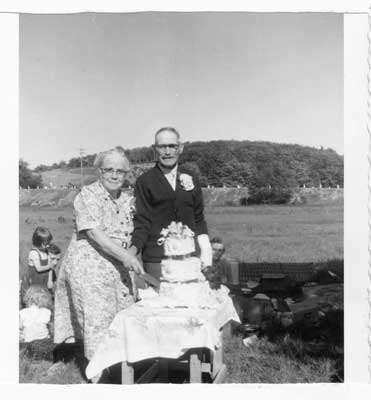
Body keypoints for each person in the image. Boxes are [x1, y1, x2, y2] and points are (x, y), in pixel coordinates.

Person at [54, 146, 145, 366]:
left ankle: (120, 364)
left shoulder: (128, 199)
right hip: (90, 266)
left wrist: (131, 254)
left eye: (120, 171)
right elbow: (94, 233)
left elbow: (137, 230)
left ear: (126, 174)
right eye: (108, 170)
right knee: (97, 317)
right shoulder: (88, 195)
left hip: (118, 266)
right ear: (99, 172)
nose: (114, 175)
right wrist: (127, 257)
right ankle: (98, 371)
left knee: (121, 315)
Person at [130, 127, 212, 281]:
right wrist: (133, 251)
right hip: (157, 260)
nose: (167, 151)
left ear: (180, 148)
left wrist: (206, 254)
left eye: (172, 146)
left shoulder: (191, 178)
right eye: (162, 146)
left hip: (190, 257)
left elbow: (199, 218)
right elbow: (142, 222)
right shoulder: (144, 182)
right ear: (155, 149)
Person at [19, 284, 55, 361]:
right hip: (44, 340)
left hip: (28, 341)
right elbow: (50, 326)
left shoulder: (23, 312)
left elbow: (19, 327)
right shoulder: (47, 312)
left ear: (28, 299)